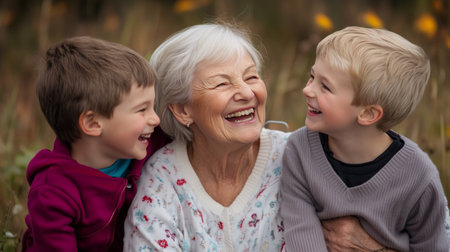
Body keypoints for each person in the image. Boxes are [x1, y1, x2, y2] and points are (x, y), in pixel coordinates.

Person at [123, 22, 404, 252]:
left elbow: (433, 226)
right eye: (222, 83)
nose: (246, 93)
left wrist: (375, 248)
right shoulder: (163, 178)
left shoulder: (305, 154)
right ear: (183, 110)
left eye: (251, 77)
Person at [281, 26, 450, 252]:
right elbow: (301, 234)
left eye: (325, 86)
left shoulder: (419, 176)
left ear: (368, 114)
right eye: (312, 76)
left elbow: (433, 246)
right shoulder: (300, 150)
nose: (307, 90)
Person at [22, 36, 167, 251]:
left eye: (153, 107)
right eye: (142, 110)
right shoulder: (53, 192)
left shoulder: (148, 142)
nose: (156, 119)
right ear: (92, 123)